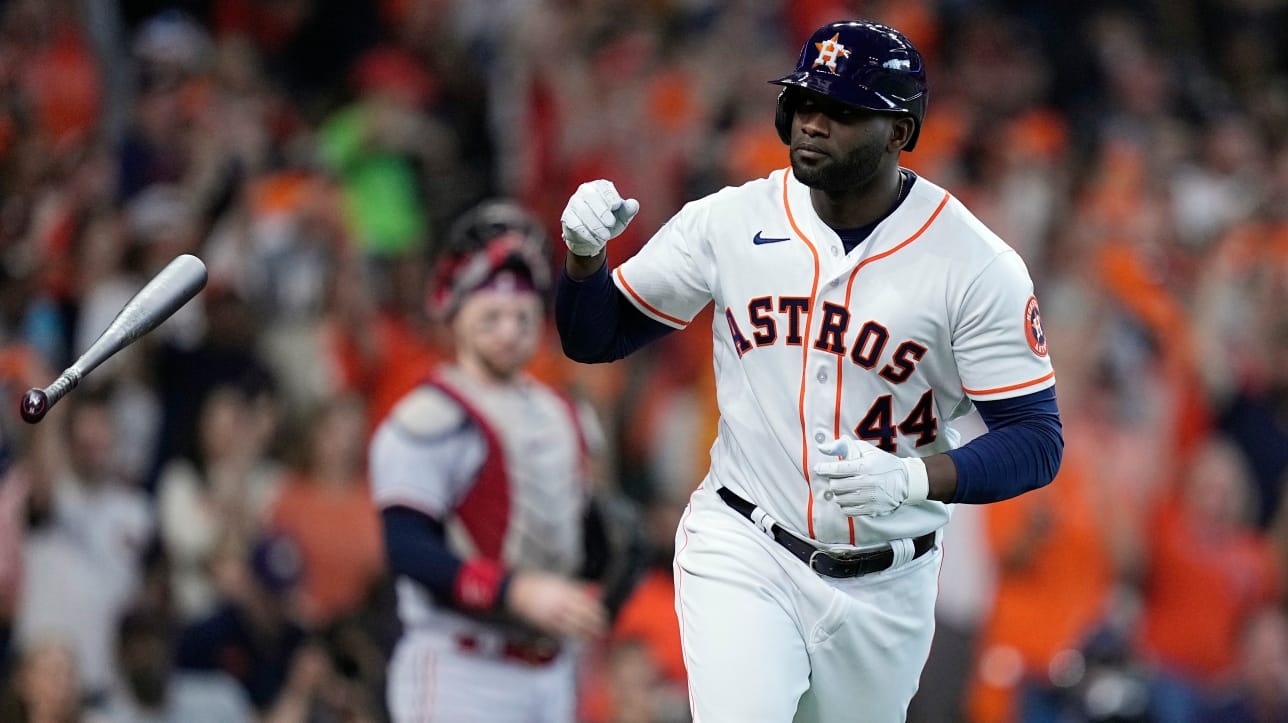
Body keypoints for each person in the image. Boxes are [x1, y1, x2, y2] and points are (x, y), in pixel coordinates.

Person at [555, 19, 1064, 722]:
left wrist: (913, 478)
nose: (814, 124)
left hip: (888, 584)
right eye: (805, 103)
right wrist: (585, 258)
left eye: (843, 111)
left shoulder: (974, 265)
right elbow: (595, 335)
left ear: (899, 131)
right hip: (745, 543)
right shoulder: (732, 221)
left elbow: (1037, 441)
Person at [369, 200, 624, 722]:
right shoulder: (429, 416)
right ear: (454, 313)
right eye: (491, 316)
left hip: (551, 668)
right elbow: (407, 547)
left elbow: (585, 532)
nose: (508, 331)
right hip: (462, 666)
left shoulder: (563, 412)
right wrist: (514, 590)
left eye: (521, 316)